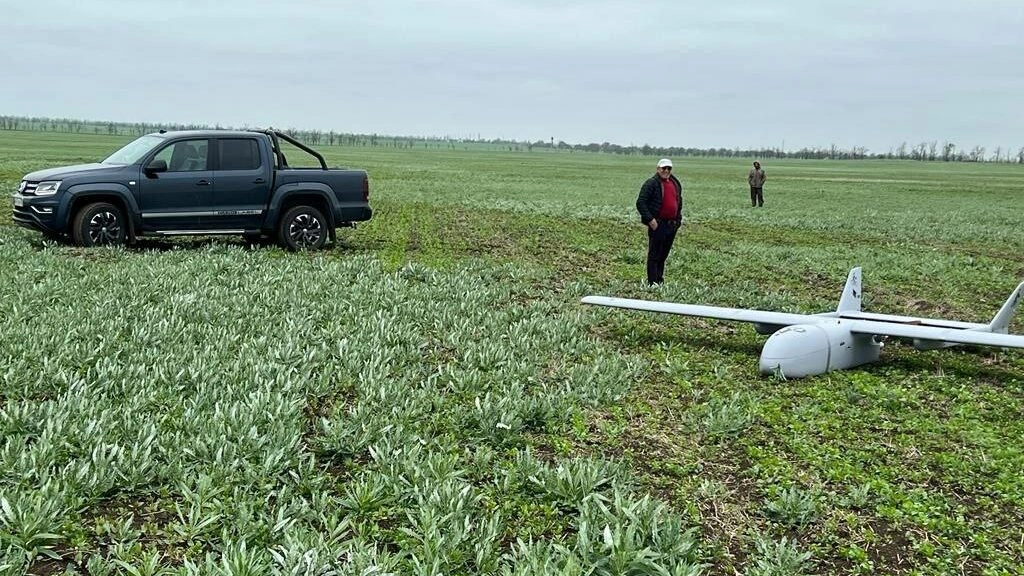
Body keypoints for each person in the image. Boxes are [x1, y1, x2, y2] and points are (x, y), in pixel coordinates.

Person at [636, 158, 684, 286]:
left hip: (672, 224)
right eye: (664, 168)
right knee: (654, 255)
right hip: (658, 224)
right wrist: (651, 220)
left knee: (663, 255)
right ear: (658, 169)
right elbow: (641, 203)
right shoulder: (651, 183)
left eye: (669, 168)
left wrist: (678, 220)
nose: (666, 171)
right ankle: (652, 282)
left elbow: (679, 201)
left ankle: (659, 280)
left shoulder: (675, 183)